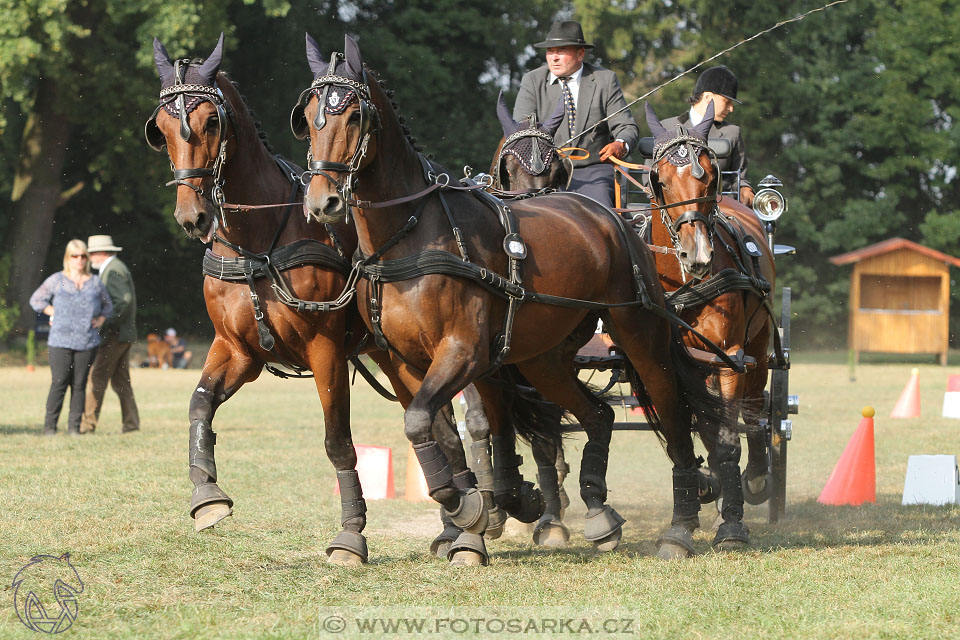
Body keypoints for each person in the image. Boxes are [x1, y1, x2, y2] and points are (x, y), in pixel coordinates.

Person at [513, 20, 639, 209]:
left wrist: (620, 144)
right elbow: (520, 131)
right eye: (550, 51)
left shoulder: (605, 80)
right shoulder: (532, 81)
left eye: (561, 51)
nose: (554, 58)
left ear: (580, 53)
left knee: (600, 216)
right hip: (544, 173)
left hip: (594, 172)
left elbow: (627, 127)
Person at [29, 240, 113, 436]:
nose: (80, 260)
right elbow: (36, 300)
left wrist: (100, 320)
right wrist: (53, 312)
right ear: (68, 257)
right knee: (59, 382)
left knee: (79, 384)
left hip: (86, 341)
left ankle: (74, 428)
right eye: (75, 256)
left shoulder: (94, 282)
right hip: (60, 340)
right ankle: (50, 427)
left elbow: (108, 307)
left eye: (83, 256)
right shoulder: (57, 279)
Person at [654, 65, 754, 206]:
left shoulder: (732, 133)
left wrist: (745, 190)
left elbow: (740, 179)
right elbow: (650, 177)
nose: (731, 108)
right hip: (673, 209)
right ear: (708, 97)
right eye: (727, 102)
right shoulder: (666, 128)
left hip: (720, 210)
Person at [80, 235, 140, 434]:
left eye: (91, 254)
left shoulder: (112, 270)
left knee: (96, 377)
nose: (89, 258)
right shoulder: (115, 267)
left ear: (101, 253)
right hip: (122, 334)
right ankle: (131, 425)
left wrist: (105, 321)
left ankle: (87, 425)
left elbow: (123, 301)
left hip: (115, 334)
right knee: (121, 382)